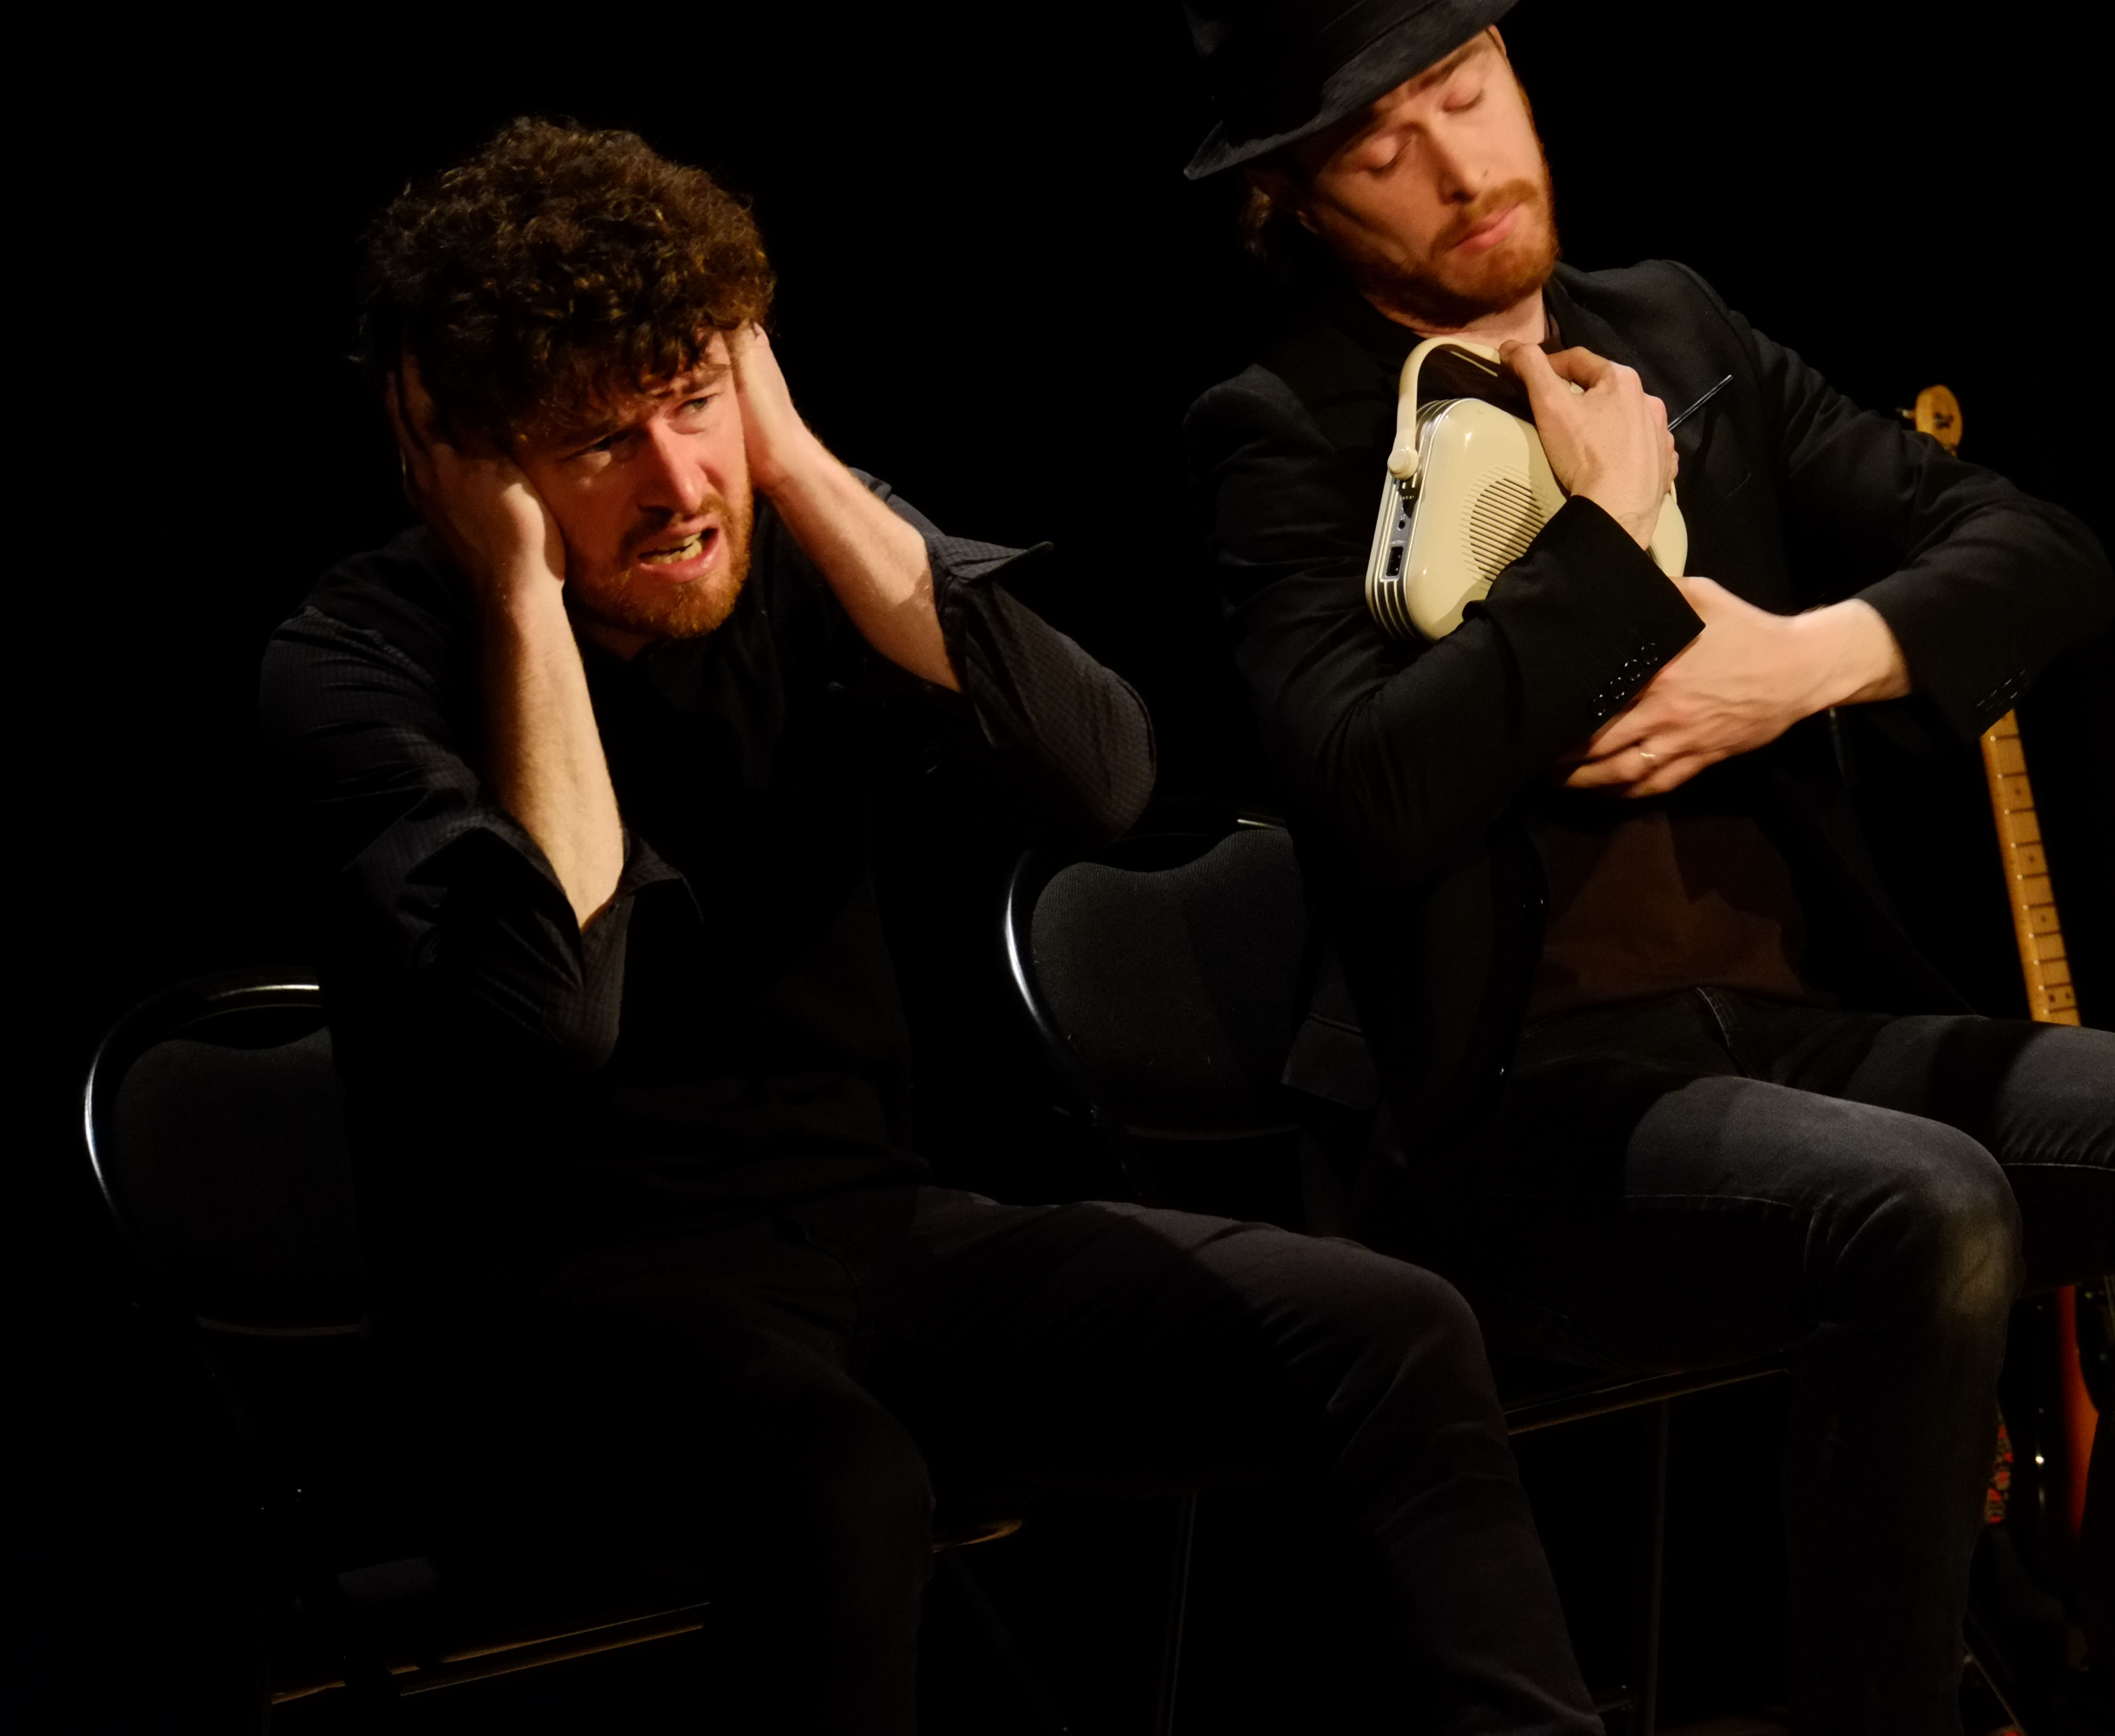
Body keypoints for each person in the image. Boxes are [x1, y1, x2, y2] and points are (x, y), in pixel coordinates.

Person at [1175, 0, 2115, 1736]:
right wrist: (1611, 546)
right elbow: (1371, 793)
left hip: (1797, 1038)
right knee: (1925, 1211)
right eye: (1384, 146)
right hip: (1515, 1106)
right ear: (1293, 200)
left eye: (1469, 88)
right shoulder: (1281, 435)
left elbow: (2039, 551)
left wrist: (1811, 659)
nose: (1463, 165)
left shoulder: (1675, 334)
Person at [260, 119, 1604, 1735]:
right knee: (844, 1488)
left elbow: (1102, 785)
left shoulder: (798, 539)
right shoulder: (358, 663)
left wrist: (797, 465)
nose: (680, 485)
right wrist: (524, 598)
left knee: (1390, 1331)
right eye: (600, 439)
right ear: (465, 464)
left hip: (862, 1245)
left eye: (695, 399)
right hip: (544, 1344)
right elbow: (555, 1019)